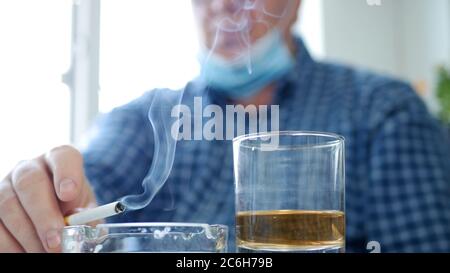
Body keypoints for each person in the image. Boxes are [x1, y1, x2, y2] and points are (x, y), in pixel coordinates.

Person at [1, 0, 449, 253]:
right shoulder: (143, 119)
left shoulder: (382, 112)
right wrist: (45, 197)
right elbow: (87, 192)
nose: (222, 6)